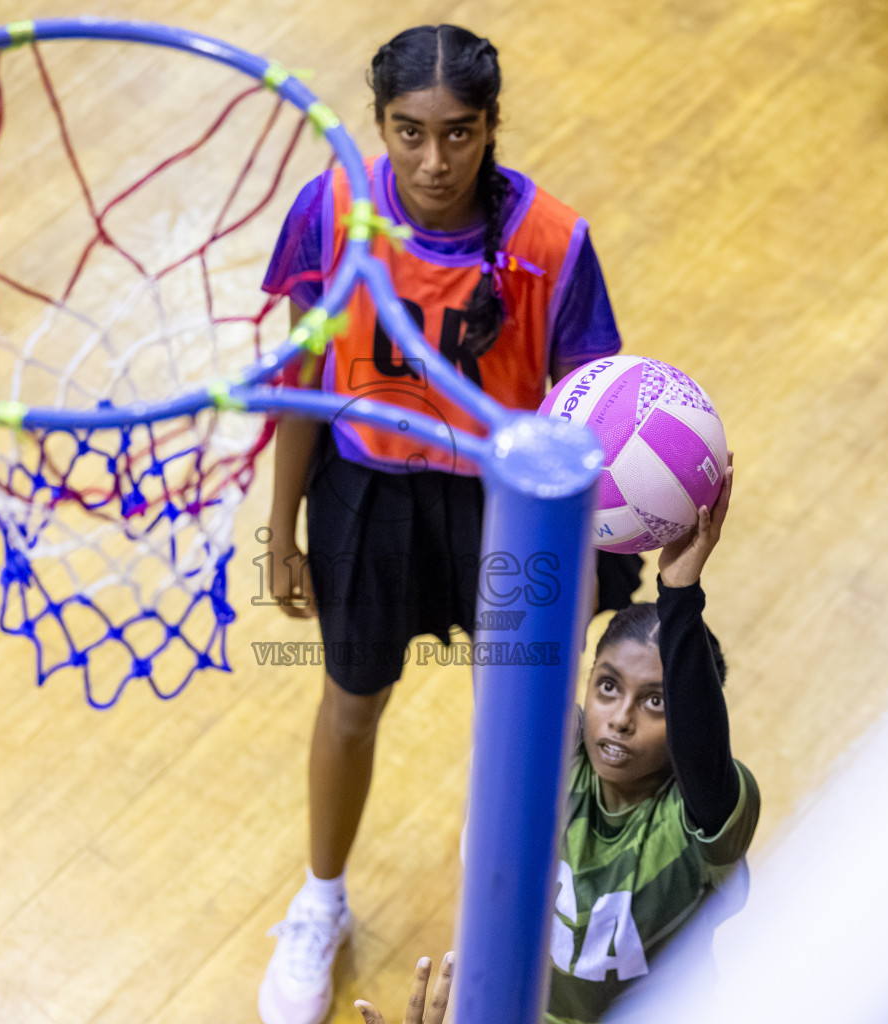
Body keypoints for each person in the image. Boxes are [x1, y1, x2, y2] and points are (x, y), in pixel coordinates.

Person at [257, 22, 640, 1024]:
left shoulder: (554, 243)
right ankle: (320, 900)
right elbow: (298, 376)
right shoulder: (335, 207)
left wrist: (590, 551)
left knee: (527, 718)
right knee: (348, 701)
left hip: (502, 509)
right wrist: (278, 528)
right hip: (368, 494)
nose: (435, 160)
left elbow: (589, 404)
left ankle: (512, 908)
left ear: (492, 126)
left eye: (460, 133)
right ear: (379, 123)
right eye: (409, 132)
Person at [547, 454, 758, 1023]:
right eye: (608, 687)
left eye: (656, 701)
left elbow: (703, 751)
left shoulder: (701, 822)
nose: (620, 718)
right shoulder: (561, 754)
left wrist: (680, 591)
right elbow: (529, 656)